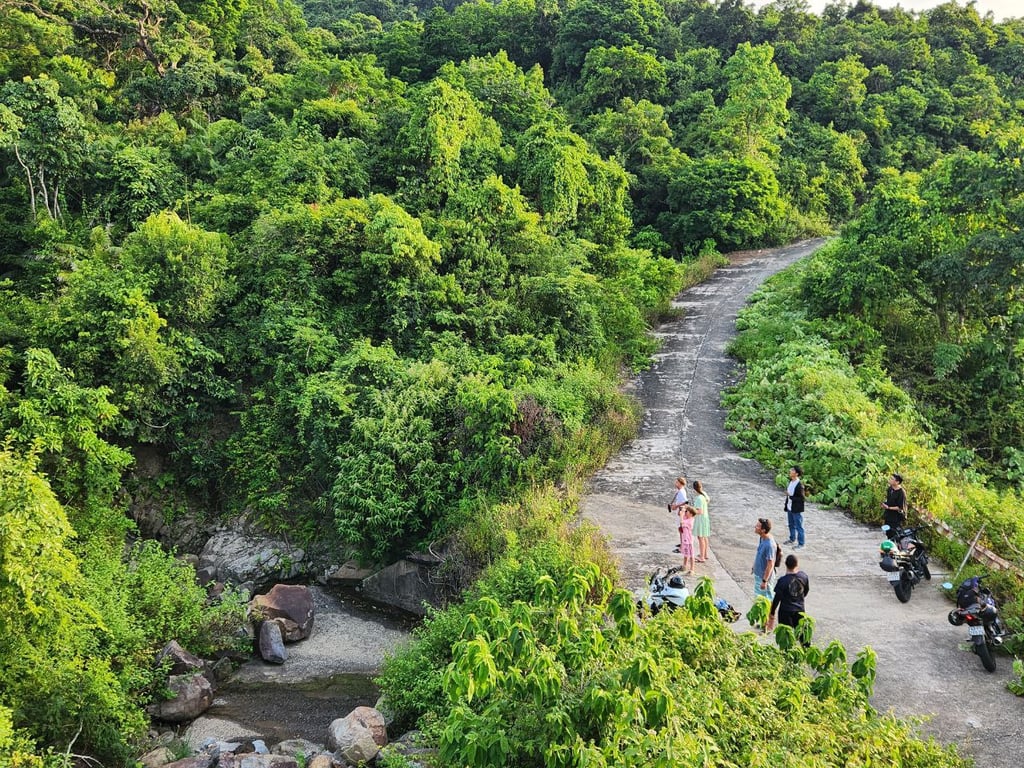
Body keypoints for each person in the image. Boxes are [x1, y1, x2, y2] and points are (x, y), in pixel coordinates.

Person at [767, 554, 811, 645]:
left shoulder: (782, 581)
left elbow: (777, 599)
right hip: (800, 610)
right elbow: (806, 592)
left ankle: (788, 656)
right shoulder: (804, 576)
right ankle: (806, 655)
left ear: (785, 564)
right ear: (797, 564)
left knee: (786, 638)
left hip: (785, 611)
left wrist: (772, 613)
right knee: (804, 636)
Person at [752, 518, 777, 600]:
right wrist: (754, 566)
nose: (755, 527)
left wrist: (765, 581)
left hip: (764, 577)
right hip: (758, 574)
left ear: (763, 530)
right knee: (758, 598)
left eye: (758, 526)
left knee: (767, 600)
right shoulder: (762, 538)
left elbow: (770, 564)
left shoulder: (769, 545)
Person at [783, 465, 805, 549]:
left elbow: (801, 498)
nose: (790, 471)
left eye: (792, 470)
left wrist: (790, 496)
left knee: (799, 526)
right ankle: (792, 539)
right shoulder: (791, 482)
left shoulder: (799, 485)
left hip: (796, 508)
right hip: (790, 507)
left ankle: (801, 543)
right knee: (791, 524)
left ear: (796, 473)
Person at [691, 479, 711, 563]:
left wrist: (691, 510)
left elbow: (699, 511)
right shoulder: (704, 494)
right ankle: (705, 554)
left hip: (701, 519)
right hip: (705, 518)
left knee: (700, 538)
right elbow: (708, 500)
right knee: (705, 537)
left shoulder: (699, 498)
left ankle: (702, 557)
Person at [882, 473, 907, 538]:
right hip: (888, 516)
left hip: (896, 518)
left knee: (895, 535)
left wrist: (889, 507)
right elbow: (889, 500)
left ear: (897, 482)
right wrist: (885, 504)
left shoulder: (901, 492)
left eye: (892, 479)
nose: (890, 480)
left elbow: (900, 508)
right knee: (888, 533)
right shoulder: (890, 489)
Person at [668, 476, 688, 552]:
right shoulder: (680, 491)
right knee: (680, 529)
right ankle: (682, 543)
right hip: (679, 511)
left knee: (681, 529)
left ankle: (682, 547)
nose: (675, 483)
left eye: (677, 482)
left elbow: (686, 502)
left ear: (680, 483)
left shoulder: (682, 492)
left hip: (681, 512)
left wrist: (676, 506)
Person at [678, 504, 696, 574]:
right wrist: (683, 509)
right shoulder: (687, 518)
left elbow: (682, 522)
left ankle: (692, 569)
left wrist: (682, 515)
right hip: (685, 539)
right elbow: (681, 514)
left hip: (689, 540)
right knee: (685, 554)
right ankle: (684, 565)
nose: (685, 513)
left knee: (691, 555)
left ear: (691, 514)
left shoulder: (690, 521)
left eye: (687, 512)